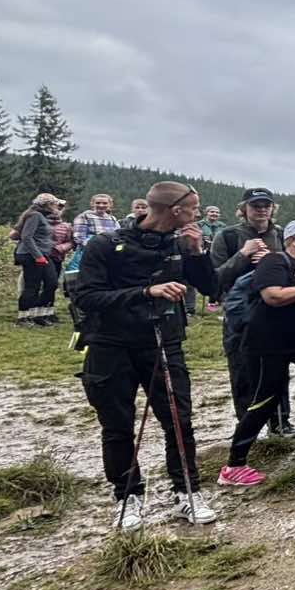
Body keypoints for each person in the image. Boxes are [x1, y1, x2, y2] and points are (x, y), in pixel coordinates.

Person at [72, 181, 219, 529]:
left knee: (179, 422)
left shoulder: (183, 244)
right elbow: (87, 297)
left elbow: (213, 289)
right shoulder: (106, 245)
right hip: (110, 345)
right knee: (117, 426)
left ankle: (187, 492)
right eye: (194, 208)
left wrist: (197, 254)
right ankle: (128, 496)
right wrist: (145, 291)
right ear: (176, 210)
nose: (197, 214)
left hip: (164, 344)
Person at [219, 220, 295, 487]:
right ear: (293, 239)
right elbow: (273, 296)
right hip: (266, 344)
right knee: (265, 401)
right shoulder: (274, 261)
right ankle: (233, 466)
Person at [212, 188, 285, 431]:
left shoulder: (283, 236)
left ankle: (281, 422)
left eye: (266, 205)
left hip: (275, 310)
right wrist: (243, 255)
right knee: (242, 369)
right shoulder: (228, 236)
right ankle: (247, 425)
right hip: (238, 315)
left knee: (277, 366)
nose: (261, 209)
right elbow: (214, 279)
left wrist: (271, 260)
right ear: (244, 208)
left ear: (273, 208)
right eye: (255, 205)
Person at [14, 194, 62, 326]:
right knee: (32, 286)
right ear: (46, 205)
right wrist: (38, 256)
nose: (55, 206)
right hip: (31, 255)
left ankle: (39, 314)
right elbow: (26, 237)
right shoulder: (35, 215)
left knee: (51, 283)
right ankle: (23, 317)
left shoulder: (42, 216)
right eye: (53, 204)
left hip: (44, 254)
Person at [197, 206, 225, 311]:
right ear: (206, 213)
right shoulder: (199, 225)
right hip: (203, 253)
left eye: (217, 212)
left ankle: (213, 301)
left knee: (218, 276)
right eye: (212, 212)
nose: (214, 214)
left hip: (218, 254)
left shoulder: (222, 226)